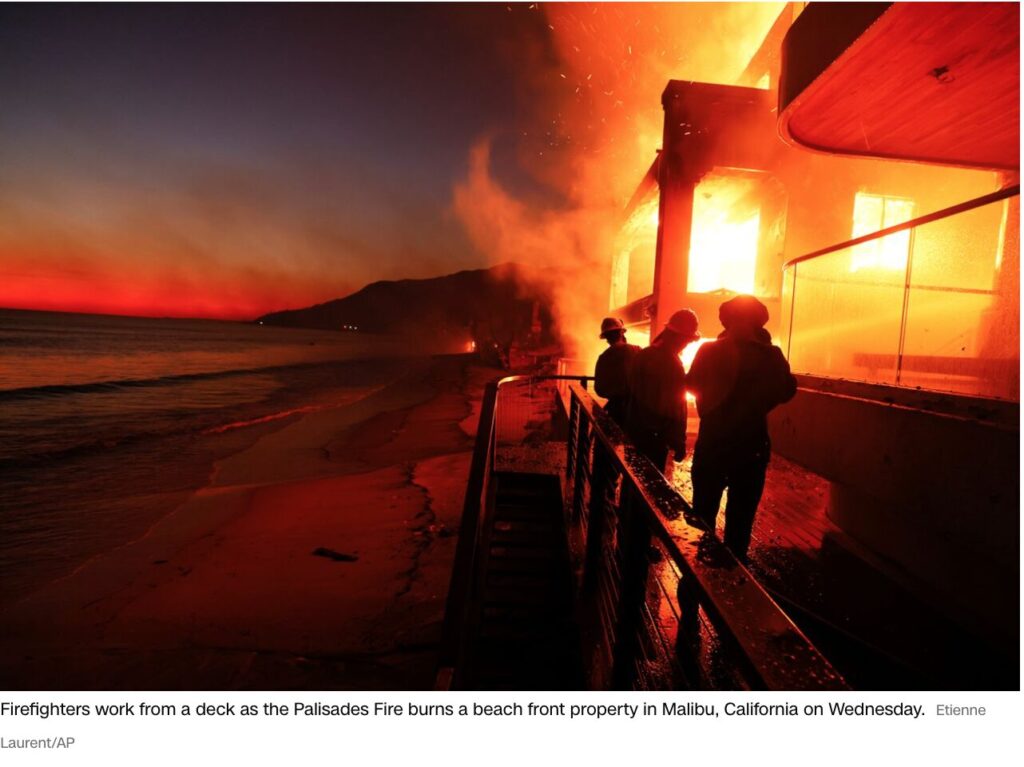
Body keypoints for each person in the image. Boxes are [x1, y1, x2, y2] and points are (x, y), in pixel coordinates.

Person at [686, 295, 797, 561]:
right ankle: (733, 574)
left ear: (726, 319)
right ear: (759, 322)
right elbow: (786, 390)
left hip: (712, 444)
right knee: (741, 519)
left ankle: (698, 573)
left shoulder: (708, 350)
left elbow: (690, 384)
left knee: (703, 515)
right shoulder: (771, 354)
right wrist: (759, 405)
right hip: (751, 447)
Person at [626, 309, 700, 474]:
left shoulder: (643, 355)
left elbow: (632, 391)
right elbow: (676, 407)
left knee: (632, 480)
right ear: (679, 337)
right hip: (656, 438)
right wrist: (679, 441)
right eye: (687, 340)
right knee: (650, 486)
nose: (686, 344)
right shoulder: (672, 364)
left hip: (635, 431)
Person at [593, 317, 641, 427]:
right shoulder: (637, 350)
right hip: (637, 410)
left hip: (616, 410)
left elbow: (599, 389)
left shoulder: (603, 357)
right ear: (621, 333)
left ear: (606, 338)